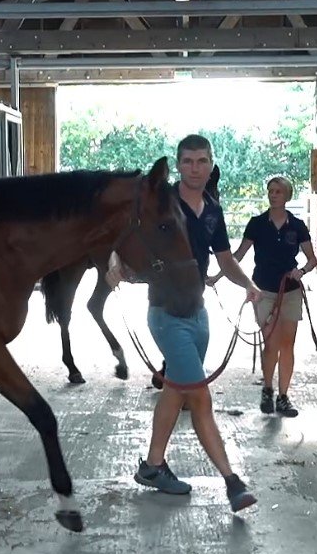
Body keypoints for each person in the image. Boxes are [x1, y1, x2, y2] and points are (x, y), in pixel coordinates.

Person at [106, 134, 261, 513]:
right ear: (178, 165)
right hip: (165, 312)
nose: (195, 168)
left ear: (211, 165)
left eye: (202, 161)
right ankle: (233, 482)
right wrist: (114, 261)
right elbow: (120, 230)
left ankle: (152, 465)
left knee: (175, 391)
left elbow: (225, 259)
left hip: (198, 312)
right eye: (188, 161)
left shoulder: (212, 210)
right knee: (200, 397)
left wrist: (249, 284)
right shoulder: (163, 201)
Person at [209, 176, 317, 417]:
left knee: (287, 344)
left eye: (278, 191)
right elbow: (237, 255)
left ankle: (283, 397)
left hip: (290, 291)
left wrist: (301, 271)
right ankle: (268, 389)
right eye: (270, 191)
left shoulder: (297, 226)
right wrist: (218, 276)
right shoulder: (257, 224)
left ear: (287, 196)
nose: (273, 195)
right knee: (271, 343)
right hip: (263, 291)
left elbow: (312, 259)